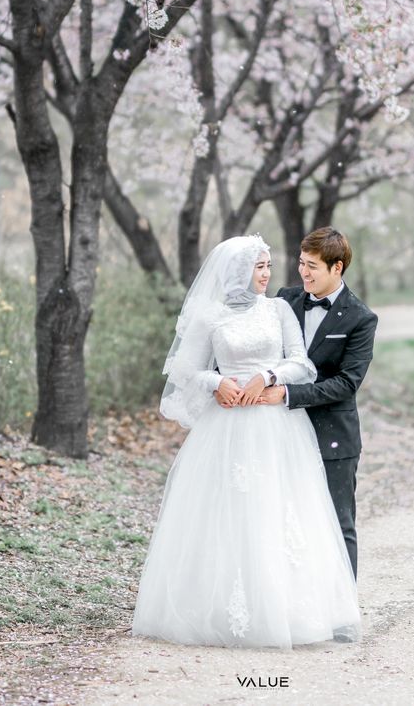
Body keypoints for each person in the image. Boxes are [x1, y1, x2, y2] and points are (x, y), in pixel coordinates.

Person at [132, 234, 360, 648]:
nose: (268, 274)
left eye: (269, 266)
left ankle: (289, 610)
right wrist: (216, 381)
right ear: (237, 270)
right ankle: (218, 607)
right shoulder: (209, 317)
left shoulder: (278, 309)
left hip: (276, 425)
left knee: (280, 509)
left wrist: (269, 376)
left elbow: (301, 362)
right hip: (228, 424)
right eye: (260, 267)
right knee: (228, 511)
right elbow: (183, 370)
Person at [259, 227, 378, 579]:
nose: (303, 272)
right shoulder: (285, 300)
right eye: (301, 262)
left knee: (338, 521)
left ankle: (343, 613)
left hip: (333, 436)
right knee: (286, 519)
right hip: (279, 430)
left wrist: (288, 394)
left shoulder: (360, 318)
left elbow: (346, 383)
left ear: (336, 268)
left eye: (312, 266)